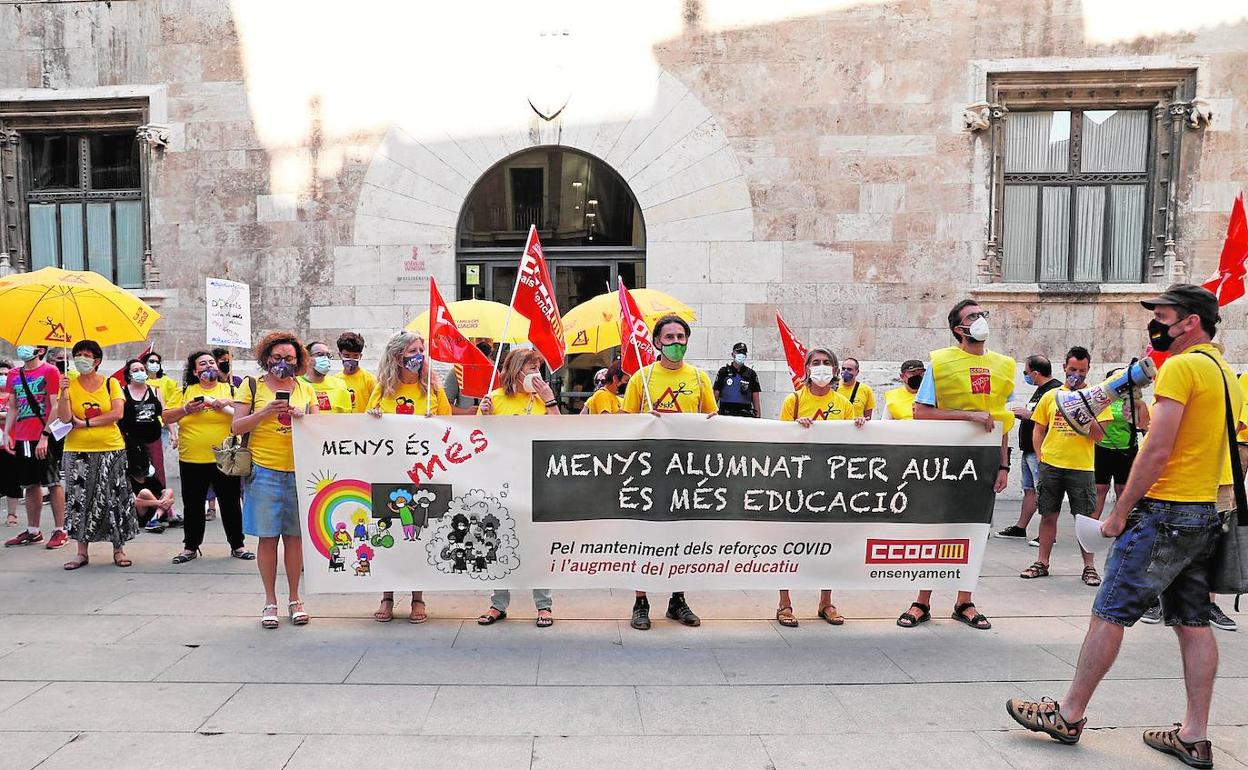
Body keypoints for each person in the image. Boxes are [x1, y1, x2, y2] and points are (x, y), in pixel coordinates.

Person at [1007, 285, 1241, 768]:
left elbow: (1157, 449)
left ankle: (1068, 715)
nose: (1154, 324)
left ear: (1190, 322)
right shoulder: (1225, 373)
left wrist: (1117, 513)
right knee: (1193, 622)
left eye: (1162, 315)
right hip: (1205, 513)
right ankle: (1194, 734)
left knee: (1109, 610)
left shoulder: (1181, 367)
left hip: (1166, 511)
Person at [899, 299, 1014, 631]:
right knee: (937, 529)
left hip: (984, 462)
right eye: (971, 316)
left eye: (981, 314)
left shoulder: (1004, 366)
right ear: (958, 329)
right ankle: (922, 600)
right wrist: (968, 416)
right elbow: (921, 411)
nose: (979, 320)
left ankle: (965, 601)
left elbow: (1002, 420)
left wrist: (1004, 466)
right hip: (946, 459)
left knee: (975, 529)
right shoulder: (941, 362)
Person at [621, 314, 717, 630]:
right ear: (657, 342)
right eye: (669, 337)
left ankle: (677, 599)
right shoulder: (641, 379)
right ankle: (640, 601)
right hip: (648, 471)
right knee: (643, 535)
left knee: (682, 535)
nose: (676, 343)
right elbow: (625, 425)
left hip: (686, 472)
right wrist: (645, 420)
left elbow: (712, 423)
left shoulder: (700, 378)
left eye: (681, 337)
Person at [232, 332, 318, 629]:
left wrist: (302, 416)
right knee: (268, 538)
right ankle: (270, 600)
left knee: (295, 538)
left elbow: (319, 429)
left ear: (299, 361)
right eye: (277, 358)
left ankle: (295, 598)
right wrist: (266, 411)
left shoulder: (305, 389)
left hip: (300, 470)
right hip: (264, 470)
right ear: (266, 357)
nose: (283, 363)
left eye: (289, 359)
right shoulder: (251, 385)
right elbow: (236, 425)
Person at [366, 331, 452, 623]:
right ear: (397, 356)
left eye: (421, 350)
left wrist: (434, 423)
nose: (418, 355)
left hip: (422, 475)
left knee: (418, 535)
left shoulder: (432, 390)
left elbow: (448, 426)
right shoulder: (382, 388)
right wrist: (373, 418)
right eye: (413, 350)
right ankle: (386, 596)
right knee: (386, 534)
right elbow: (361, 428)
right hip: (388, 473)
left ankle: (418, 598)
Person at [776, 347, 864, 626]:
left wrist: (860, 426)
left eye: (827, 363)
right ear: (807, 369)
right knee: (787, 543)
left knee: (831, 543)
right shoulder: (794, 401)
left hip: (831, 485)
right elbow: (779, 440)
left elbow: (851, 442)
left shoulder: (844, 404)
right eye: (816, 363)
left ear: (836, 370)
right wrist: (795, 429)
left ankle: (826, 602)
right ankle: (784, 604)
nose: (822, 367)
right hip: (796, 484)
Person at [476, 348, 558, 627]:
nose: (535, 372)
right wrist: (484, 416)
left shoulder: (542, 400)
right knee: (496, 541)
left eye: (538, 367)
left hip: (536, 480)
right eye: (530, 366)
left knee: (537, 544)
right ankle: (498, 603)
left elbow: (560, 432)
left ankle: (544, 605)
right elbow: (478, 440)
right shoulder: (495, 399)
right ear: (515, 369)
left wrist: (550, 400)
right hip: (500, 481)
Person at [1019, 347, 1112, 587]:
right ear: (1064, 367)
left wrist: (1086, 411)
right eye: (1072, 369)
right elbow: (1039, 428)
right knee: (1048, 514)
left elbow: (1100, 436)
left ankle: (1089, 567)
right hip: (1051, 465)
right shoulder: (1052, 396)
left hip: (1081, 467)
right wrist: (1040, 457)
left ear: (1088, 370)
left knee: (1085, 518)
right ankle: (1042, 562)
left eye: (1082, 370)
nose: (1077, 374)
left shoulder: (1097, 397)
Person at [163, 350, 252, 564]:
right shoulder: (184, 390)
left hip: (224, 457)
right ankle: (190, 547)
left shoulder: (230, 388)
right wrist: (186, 409)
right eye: (203, 364)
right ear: (194, 371)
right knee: (193, 504)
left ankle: (237, 545)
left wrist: (227, 402)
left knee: (230, 502)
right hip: (192, 458)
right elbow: (166, 416)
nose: (209, 367)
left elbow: (245, 412)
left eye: (211, 362)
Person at [57, 340, 139, 570]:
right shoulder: (68, 384)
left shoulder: (111, 383)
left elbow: (117, 413)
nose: (82, 359)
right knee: (79, 500)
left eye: (87, 355)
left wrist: (85, 422)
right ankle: (81, 551)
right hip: (77, 449)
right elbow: (64, 418)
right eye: (78, 355)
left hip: (110, 448)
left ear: (97, 361)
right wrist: (63, 392)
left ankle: (118, 549)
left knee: (113, 497)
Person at [3, 345, 68, 549]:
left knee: (52, 481)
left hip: (44, 435)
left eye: (29, 344)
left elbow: (55, 406)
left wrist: (45, 436)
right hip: (23, 435)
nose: (23, 348)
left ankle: (60, 530)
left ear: (40, 350)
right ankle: (33, 530)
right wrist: (7, 432)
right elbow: (13, 406)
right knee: (30, 484)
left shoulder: (50, 371)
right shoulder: (14, 374)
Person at [997, 355, 1060, 542]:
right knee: (1029, 489)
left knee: (1045, 492)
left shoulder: (1055, 390)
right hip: (1028, 449)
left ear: (1035, 373)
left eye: (1025, 373)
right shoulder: (1040, 390)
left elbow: (1056, 420)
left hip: (1041, 451)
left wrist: (1029, 415)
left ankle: (1048, 534)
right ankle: (1020, 527)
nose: (1025, 376)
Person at [117, 358, 170, 532]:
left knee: (158, 472)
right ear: (128, 374)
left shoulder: (154, 390)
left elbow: (166, 413)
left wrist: (174, 434)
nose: (140, 372)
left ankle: (165, 511)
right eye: (135, 370)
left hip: (153, 437)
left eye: (142, 368)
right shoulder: (122, 392)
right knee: (134, 472)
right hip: (132, 440)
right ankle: (136, 509)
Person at [1093, 366, 1151, 522]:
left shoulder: (1135, 401)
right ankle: (1092, 523)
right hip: (1102, 447)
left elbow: (1145, 426)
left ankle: (1118, 522)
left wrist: (1136, 411)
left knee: (1122, 488)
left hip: (1126, 449)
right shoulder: (1103, 400)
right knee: (1100, 488)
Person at [141, 351, 180, 525]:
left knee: (157, 468)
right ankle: (143, 505)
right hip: (136, 437)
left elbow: (167, 411)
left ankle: (163, 507)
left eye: (157, 361)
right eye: (150, 361)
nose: (153, 364)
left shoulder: (162, 386)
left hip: (158, 432)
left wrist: (173, 433)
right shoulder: (127, 390)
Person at [0, 359, 23, 527]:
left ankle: (12, 514)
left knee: (11, 479)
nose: (2, 377)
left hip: (10, 442)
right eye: (0, 374)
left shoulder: (16, 395)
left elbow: (20, 414)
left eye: (6, 374)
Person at [127, 442, 175, 524]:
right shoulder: (129, 481)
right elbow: (135, 502)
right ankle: (166, 513)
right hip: (142, 514)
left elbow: (168, 496)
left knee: (169, 491)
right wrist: (159, 503)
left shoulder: (152, 480)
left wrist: (170, 501)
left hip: (155, 511)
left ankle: (155, 519)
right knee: (144, 492)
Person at [444, 339, 494, 415]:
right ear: (471, 343)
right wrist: (465, 412)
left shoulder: (496, 373)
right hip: (464, 424)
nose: (483, 342)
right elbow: (444, 406)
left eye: (487, 340)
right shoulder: (458, 372)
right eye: (478, 339)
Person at [301, 341, 353, 414]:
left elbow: (347, 416)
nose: (325, 359)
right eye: (320, 355)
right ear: (307, 358)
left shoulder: (340, 385)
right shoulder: (297, 384)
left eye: (328, 355)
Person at [713, 342, 761, 418]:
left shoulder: (751, 374)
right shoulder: (723, 372)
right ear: (733, 354)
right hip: (725, 414)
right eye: (739, 352)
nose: (741, 354)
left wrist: (758, 416)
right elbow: (715, 395)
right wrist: (712, 412)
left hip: (745, 415)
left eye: (743, 352)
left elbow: (756, 398)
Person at [336, 331, 376, 414]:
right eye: (347, 356)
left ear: (360, 356)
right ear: (340, 355)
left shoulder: (369, 379)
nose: (351, 359)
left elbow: (376, 405)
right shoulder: (335, 380)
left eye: (355, 356)